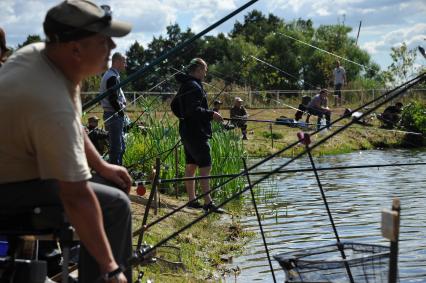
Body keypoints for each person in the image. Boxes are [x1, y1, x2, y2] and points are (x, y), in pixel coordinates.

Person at [0, 1, 133, 282]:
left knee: (108, 183)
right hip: (8, 190)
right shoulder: (48, 102)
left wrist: (103, 166)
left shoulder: (38, 55)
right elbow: (76, 196)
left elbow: (72, 125)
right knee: (115, 205)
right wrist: (112, 268)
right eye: (103, 40)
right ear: (75, 49)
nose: (111, 46)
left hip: (19, 170)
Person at [173, 58, 224, 213]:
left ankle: (192, 200)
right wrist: (211, 114)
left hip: (186, 130)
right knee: (205, 165)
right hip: (196, 132)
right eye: (205, 70)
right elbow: (193, 110)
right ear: (198, 69)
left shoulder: (185, 85)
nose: (206, 73)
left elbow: (174, 105)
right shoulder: (194, 86)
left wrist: (183, 118)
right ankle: (208, 202)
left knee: (191, 165)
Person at [101, 52, 127, 165]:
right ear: (117, 61)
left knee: (120, 146)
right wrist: (120, 112)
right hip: (113, 115)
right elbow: (113, 99)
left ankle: (118, 171)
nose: (125, 64)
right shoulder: (111, 77)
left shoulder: (112, 75)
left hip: (113, 114)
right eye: (124, 61)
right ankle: (115, 174)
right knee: (116, 148)